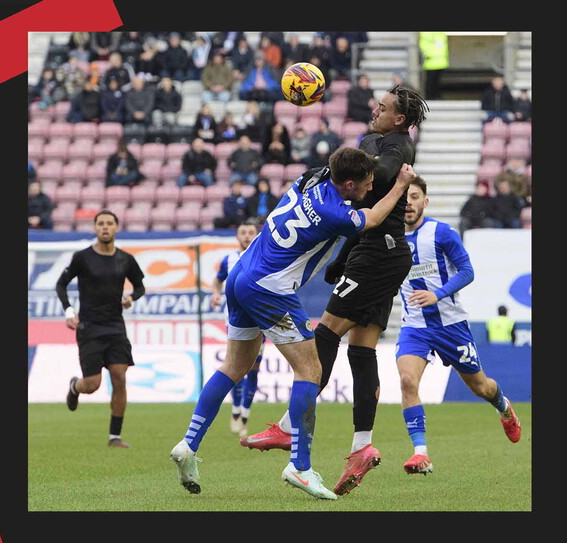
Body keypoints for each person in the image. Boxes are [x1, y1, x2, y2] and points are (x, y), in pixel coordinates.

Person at [169, 147, 417, 500]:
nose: (371, 186)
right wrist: (401, 184)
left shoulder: (310, 178)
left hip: (241, 275)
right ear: (348, 184)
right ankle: (300, 467)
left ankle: (188, 444)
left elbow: (336, 167)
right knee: (310, 370)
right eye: (366, 182)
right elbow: (373, 219)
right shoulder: (336, 214)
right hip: (270, 287)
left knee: (235, 365)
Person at [241, 85, 429, 498]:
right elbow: (366, 174)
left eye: (384, 107)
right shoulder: (374, 140)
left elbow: (377, 176)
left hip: (378, 254)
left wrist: (366, 169)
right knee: (361, 350)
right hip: (377, 253)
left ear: (399, 119)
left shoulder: (399, 145)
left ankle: (290, 428)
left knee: (325, 332)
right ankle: (362, 445)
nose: (375, 109)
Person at [396, 178, 521, 476]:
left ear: (425, 202)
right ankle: (420, 453)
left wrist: (437, 294)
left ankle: (503, 406)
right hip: (414, 326)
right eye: (405, 197)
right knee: (406, 381)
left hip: (451, 325)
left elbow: (467, 271)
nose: (409, 203)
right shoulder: (389, 238)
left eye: (415, 197)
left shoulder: (441, 233)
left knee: (482, 387)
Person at [58, 210, 146, 448]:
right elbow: (61, 284)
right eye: (101, 224)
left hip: (115, 327)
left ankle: (114, 437)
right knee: (93, 384)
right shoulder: (82, 258)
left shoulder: (125, 259)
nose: (105, 227)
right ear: (95, 228)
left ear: (116, 228)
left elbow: (140, 287)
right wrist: (68, 310)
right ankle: (75, 386)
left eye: (109, 223)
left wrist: (131, 297)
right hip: (89, 327)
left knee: (119, 376)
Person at [210, 217, 266, 437]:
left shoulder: (264, 257)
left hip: (261, 321)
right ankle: (235, 412)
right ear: (237, 236)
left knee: (253, 369)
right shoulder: (229, 259)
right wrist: (215, 293)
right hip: (234, 322)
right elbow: (217, 280)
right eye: (243, 232)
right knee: (236, 366)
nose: (246, 236)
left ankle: (244, 413)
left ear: (256, 235)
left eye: (250, 232)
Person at [418, 32, 448, 100]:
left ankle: (435, 96)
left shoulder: (439, 34)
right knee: (431, 82)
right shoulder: (427, 34)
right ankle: (431, 96)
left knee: (436, 82)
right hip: (431, 62)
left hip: (439, 61)